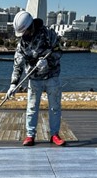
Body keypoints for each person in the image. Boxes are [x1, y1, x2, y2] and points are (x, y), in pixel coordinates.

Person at [6, 11, 65, 146]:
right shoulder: (22, 44)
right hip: (34, 79)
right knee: (32, 107)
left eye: (25, 32)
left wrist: (47, 62)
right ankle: (30, 135)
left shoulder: (48, 34)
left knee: (55, 107)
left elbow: (59, 51)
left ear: (30, 26)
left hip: (52, 76)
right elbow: (18, 65)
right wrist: (13, 84)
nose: (24, 36)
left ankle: (54, 135)